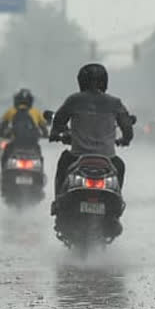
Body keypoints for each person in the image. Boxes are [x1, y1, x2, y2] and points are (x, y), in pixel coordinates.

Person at [49, 63, 134, 211]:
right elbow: (127, 128)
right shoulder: (115, 103)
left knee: (63, 163)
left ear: (81, 81)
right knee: (120, 165)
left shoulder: (74, 100)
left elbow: (58, 121)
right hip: (108, 158)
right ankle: (116, 206)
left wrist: (56, 134)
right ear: (104, 81)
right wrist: (125, 139)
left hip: (76, 157)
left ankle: (58, 203)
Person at [0, 88, 49, 167]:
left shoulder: (10, 111)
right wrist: (45, 135)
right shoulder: (36, 112)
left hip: (15, 143)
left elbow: (3, 126)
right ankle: (40, 173)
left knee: (5, 156)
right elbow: (44, 127)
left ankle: (4, 174)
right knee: (39, 156)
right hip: (32, 143)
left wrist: (1, 134)